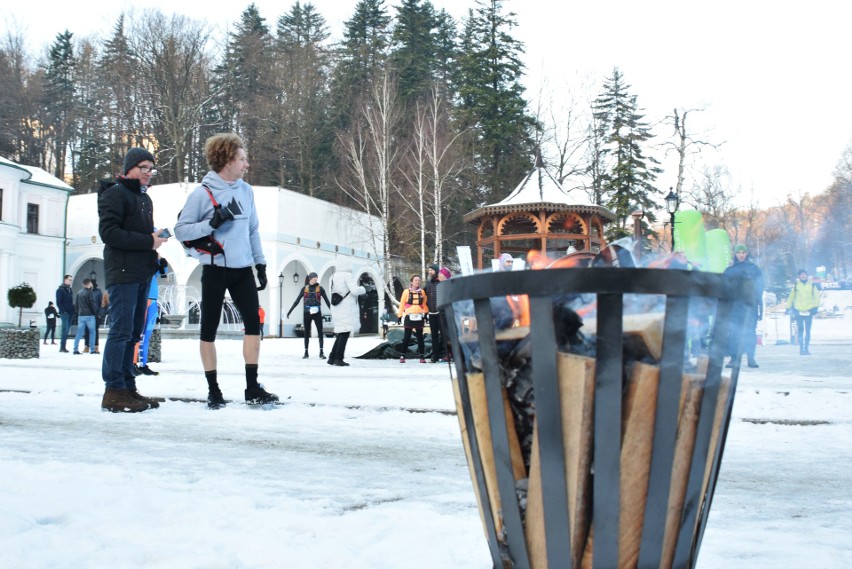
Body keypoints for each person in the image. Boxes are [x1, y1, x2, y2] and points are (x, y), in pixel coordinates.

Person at [174, 133, 276, 409]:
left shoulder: (246, 191)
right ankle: (213, 390)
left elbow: (252, 229)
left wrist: (260, 262)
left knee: (253, 325)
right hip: (215, 269)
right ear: (227, 160)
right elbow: (181, 231)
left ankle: (252, 387)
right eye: (242, 159)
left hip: (243, 269)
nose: (246, 165)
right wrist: (211, 224)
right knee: (208, 330)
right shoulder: (201, 193)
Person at [98, 147, 167, 412]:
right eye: (143, 168)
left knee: (134, 333)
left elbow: (140, 237)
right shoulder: (114, 195)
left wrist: (154, 247)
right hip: (122, 273)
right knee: (121, 331)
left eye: (151, 169)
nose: (148, 173)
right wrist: (148, 240)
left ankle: (127, 387)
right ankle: (113, 390)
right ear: (129, 169)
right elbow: (109, 234)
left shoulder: (144, 199)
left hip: (140, 273)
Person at [724, 244, 764, 368]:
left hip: (750, 306)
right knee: (734, 333)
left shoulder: (754, 269)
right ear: (735, 254)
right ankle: (734, 358)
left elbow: (760, 287)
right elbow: (724, 288)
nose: (741, 255)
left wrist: (758, 304)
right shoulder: (730, 270)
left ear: (746, 254)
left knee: (750, 332)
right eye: (739, 252)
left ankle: (751, 358)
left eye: (743, 252)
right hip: (734, 307)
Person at [327, 263, 367, 367]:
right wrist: (363, 289)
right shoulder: (347, 275)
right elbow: (355, 290)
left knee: (341, 332)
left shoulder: (333, 276)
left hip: (336, 307)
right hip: (346, 308)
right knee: (344, 333)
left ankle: (332, 357)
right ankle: (338, 358)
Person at [134, 257, 168, 376]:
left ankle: (143, 364)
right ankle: (133, 364)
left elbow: (162, 272)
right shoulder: (140, 257)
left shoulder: (153, 259)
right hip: (143, 298)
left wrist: (162, 263)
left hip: (153, 299)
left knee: (147, 334)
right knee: (138, 333)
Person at [287, 272, 331, 359]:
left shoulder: (320, 288)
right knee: (306, 332)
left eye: (316, 278)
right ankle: (306, 352)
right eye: (315, 278)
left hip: (317, 312)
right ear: (310, 278)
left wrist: (333, 311)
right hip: (307, 312)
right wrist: (290, 311)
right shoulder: (304, 289)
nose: (316, 280)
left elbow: (327, 301)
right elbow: (297, 301)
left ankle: (321, 352)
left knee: (320, 332)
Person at [787, 269, 820, 355]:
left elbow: (816, 297)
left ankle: (807, 348)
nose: (803, 276)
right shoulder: (796, 286)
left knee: (808, 331)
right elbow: (791, 297)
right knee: (800, 331)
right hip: (799, 311)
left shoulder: (812, 285)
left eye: (804, 274)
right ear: (799, 276)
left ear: (807, 275)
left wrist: (815, 307)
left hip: (809, 310)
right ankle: (801, 348)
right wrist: (788, 307)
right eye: (801, 274)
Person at [397, 274, 429, 363]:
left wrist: (426, 314)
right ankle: (402, 355)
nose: (417, 282)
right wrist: (399, 316)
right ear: (412, 281)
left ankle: (422, 356)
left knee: (420, 338)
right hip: (409, 317)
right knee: (407, 337)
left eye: (419, 280)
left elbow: (424, 304)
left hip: (419, 317)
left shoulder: (422, 292)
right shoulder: (406, 292)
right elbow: (402, 304)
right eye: (416, 280)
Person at [424, 264, 445, 363]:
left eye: (431, 270)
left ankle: (446, 355)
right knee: (434, 336)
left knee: (445, 335)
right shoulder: (428, 284)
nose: (429, 272)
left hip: (441, 313)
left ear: (436, 271)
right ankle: (435, 356)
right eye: (429, 270)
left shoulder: (442, 283)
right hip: (431, 313)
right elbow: (423, 297)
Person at [72, 279, 99, 355]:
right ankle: (92, 350)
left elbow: (76, 305)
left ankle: (75, 349)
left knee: (79, 333)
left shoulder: (79, 293)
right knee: (92, 333)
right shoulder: (90, 292)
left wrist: (79, 313)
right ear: (89, 284)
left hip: (81, 316)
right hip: (90, 316)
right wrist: (95, 313)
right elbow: (92, 304)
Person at [55, 275, 74, 353]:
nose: (70, 281)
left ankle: (63, 346)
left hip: (70, 312)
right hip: (64, 313)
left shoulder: (69, 290)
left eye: (71, 280)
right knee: (65, 329)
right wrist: (63, 311)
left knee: (66, 330)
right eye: (69, 280)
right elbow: (58, 302)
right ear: (65, 280)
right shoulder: (60, 290)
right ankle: (62, 347)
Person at [84, 280, 103, 354]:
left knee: (95, 331)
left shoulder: (98, 292)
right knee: (87, 331)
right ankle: (86, 346)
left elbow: (101, 303)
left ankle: (96, 346)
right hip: (86, 314)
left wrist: (100, 313)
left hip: (95, 315)